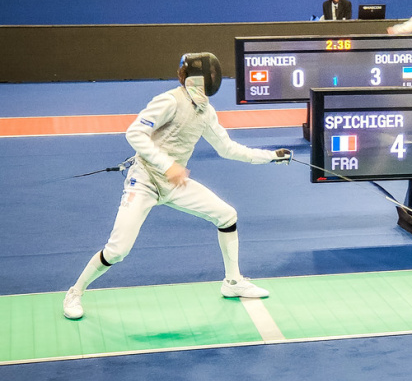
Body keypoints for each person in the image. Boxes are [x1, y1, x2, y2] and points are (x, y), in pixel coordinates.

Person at [62, 53, 293, 320]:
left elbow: (227, 149)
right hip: (145, 181)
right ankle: (75, 292)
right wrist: (168, 165)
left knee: (227, 215)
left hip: (174, 184)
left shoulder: (205, 112)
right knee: (117, 250)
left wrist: (270, 156)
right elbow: (135, 133)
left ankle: (233, 282)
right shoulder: (169, 101)